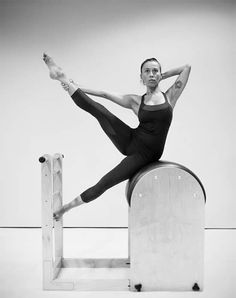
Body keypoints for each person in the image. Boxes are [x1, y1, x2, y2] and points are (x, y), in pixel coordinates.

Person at [43, 54, 191, 220]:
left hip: (143, 155)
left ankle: (65, 208)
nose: (151, 74)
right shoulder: (136, 101)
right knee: (101, 112)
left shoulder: (170, 96)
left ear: (160, 74)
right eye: (147, 71)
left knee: (104, 183)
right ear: (141, 76)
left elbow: (186, 68)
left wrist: (162, 76)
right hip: (130, 140)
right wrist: (75, 86)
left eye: (155, 71)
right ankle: (61, 78)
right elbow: (104, 94)